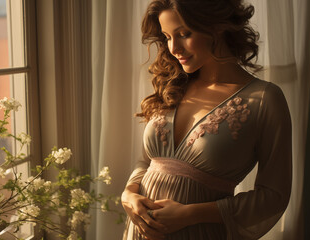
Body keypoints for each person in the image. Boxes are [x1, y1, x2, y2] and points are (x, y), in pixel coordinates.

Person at [121, 0, 292, 239]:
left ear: (217, 26)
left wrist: (191, 214)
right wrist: (128, 194)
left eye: (183, 34)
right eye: (167, 37)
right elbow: (146, 162)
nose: (174, 48)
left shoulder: (265, 99)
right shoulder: (173, 86)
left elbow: (274, 197)